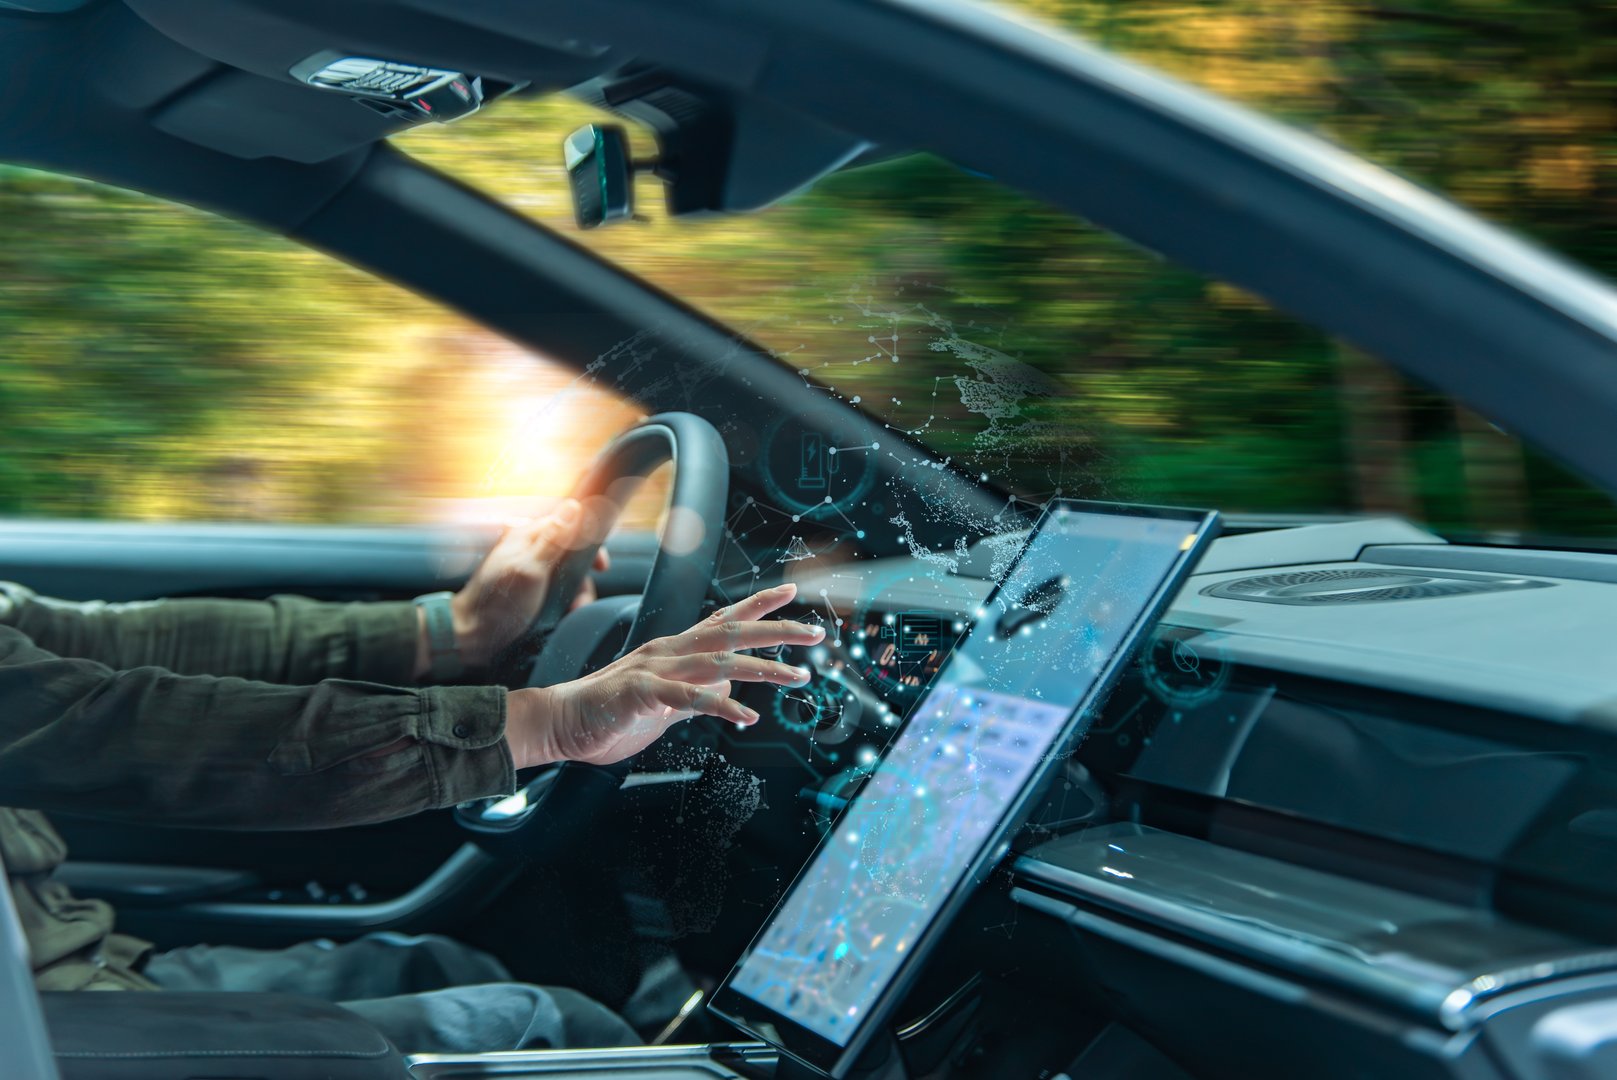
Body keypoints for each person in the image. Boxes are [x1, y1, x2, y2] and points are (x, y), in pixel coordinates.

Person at [0, 498, 823, 1054]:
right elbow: (108, 728)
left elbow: (79, 639)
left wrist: (453, 629)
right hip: (37, 1025)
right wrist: (548, 722)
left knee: (453, 973)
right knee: (543, 1026)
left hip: (60, 965)